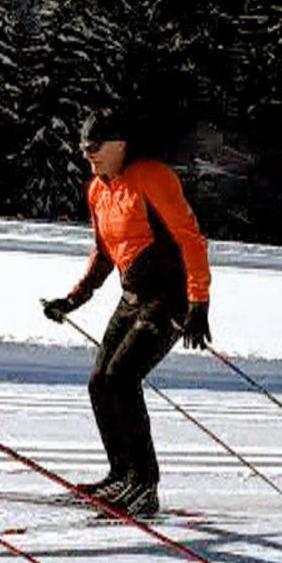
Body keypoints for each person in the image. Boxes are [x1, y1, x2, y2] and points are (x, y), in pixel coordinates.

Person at [40, 111, 212, 519]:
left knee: (123, 376)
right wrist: (73, 299)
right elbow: (104, 252)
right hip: (133, 296)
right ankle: (121, 474)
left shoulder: (151, 176)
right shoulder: (98, 190)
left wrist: (198, 304)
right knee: (100, 382)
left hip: (169, 297)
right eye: (83, 148)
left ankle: (144, 485)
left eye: (95, 147)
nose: (88, 155)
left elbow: (191, 239)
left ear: (120, 143)